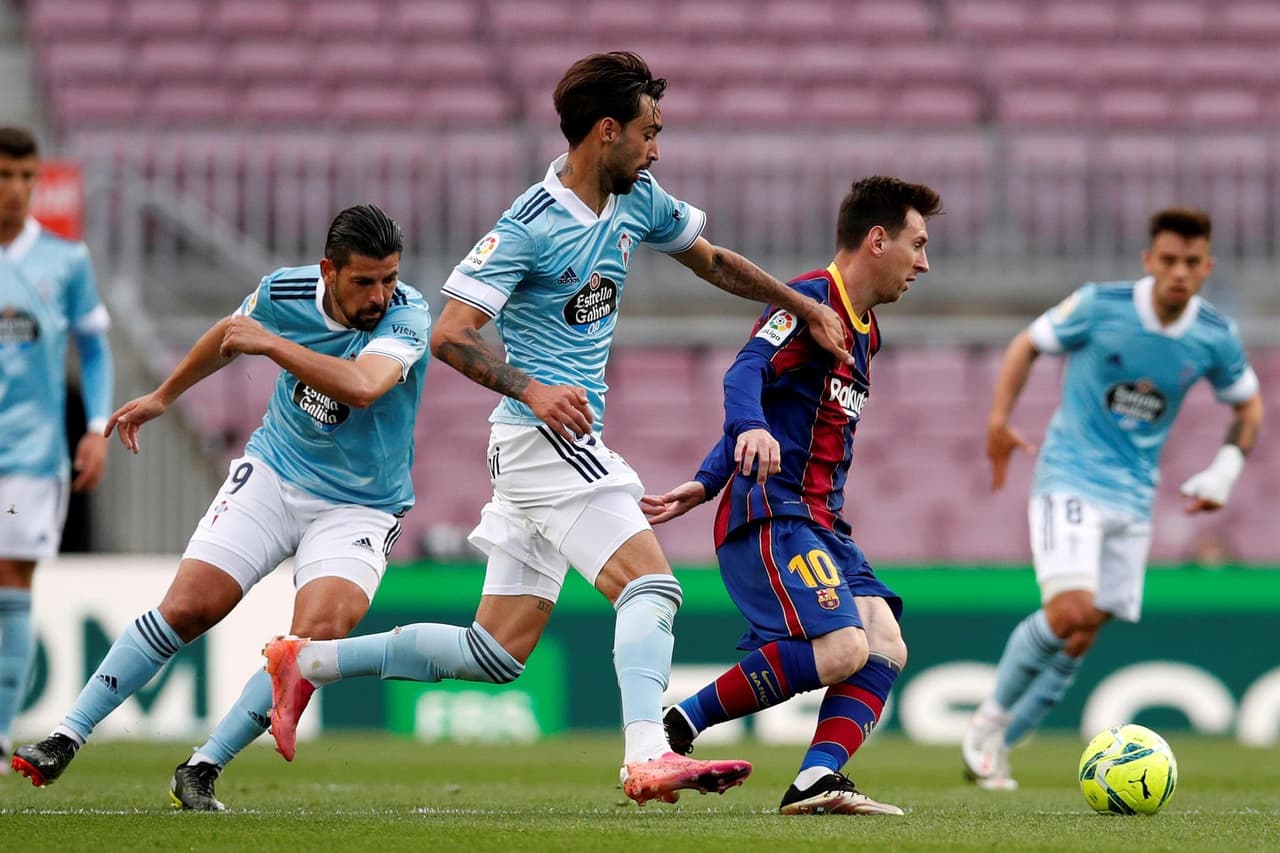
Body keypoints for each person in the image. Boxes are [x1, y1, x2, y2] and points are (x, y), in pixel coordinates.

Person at [262, 51, 855, 806]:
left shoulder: (636, 199)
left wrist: (801, 305)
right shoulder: (530, 225)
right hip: (541, 436)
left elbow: (710, 260)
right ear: (607, 131)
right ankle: (648, 753)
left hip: (542, 445)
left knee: (493, 652)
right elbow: (449, 334)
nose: (656, 149)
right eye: (649, 132)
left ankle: (307, 663)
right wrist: (532, 388)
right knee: (651, 585)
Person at [10, 205, 432, 812]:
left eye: (389, 278)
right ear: (328, 272)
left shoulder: (408, 315)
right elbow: (230, 335)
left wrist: (273, 344)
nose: (380, 295)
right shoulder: (285, 292)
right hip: (276, 472)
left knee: (314, 640)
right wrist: (164, 396)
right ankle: (65, 736)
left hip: (360, 506)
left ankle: (202, 767)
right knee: (188, 608)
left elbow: (363, 387)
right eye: (365, 281)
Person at [641, 176, 940, 816]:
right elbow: (746, 372)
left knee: (885, 642)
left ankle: (816, 780)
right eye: (917, 244)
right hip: (774, 512)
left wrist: (706, 477)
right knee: (844, 648)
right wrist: (742, 439)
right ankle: (675, 728)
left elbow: (776, 406)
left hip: (823, 521)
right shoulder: (810, 300)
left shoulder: (867, 331)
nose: (924, 263)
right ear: (878, 239)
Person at [962, 206, 1264, 790]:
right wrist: (999, 420)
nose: (1180, 272)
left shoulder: (1214, 336)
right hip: (1071, 474)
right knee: (1070, 610)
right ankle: (987, 722)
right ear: (1149, 261)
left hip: (1134, 495)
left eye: (1192, 262)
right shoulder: (1100, 305)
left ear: (1208, 267)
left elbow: (1248, 405)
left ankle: (1005, 741)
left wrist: (1225, 471)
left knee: (1085, 629)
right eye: (1169, 260)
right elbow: (1027, 344)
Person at [0, 126, 113, 771]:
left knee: (12, 578)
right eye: (4, 176)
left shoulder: (65, 260)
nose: (16, 189)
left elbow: (94, 348)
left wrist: (94, 427)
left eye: (25, 176)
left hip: (30, 456)